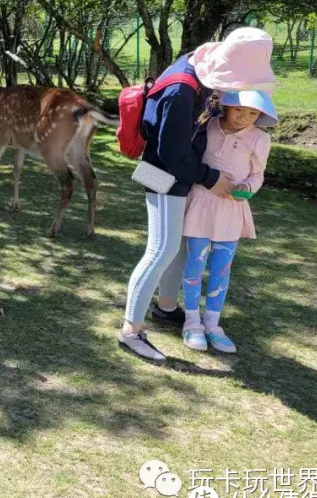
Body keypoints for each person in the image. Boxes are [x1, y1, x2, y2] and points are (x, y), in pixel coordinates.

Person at [118, 27, 278, 361]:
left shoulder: (198, 62)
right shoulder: (181, 89)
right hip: (160, 173)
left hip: (175, 173)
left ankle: (165, 308)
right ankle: (131, 331)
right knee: (161, 249)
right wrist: (210, 177)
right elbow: (172, 152)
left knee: (176, 247)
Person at [180, 90, 275, 354]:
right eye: (239, 110)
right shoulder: (207, 125)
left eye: (253, 113)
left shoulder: (260, 138)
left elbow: (258, 175)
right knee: (194, 264)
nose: (245, 117)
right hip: (201, 203)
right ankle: (192, 321)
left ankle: (212, 324)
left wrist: (248, 187)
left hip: (231, 210)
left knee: (222, 269)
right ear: (226, 106)